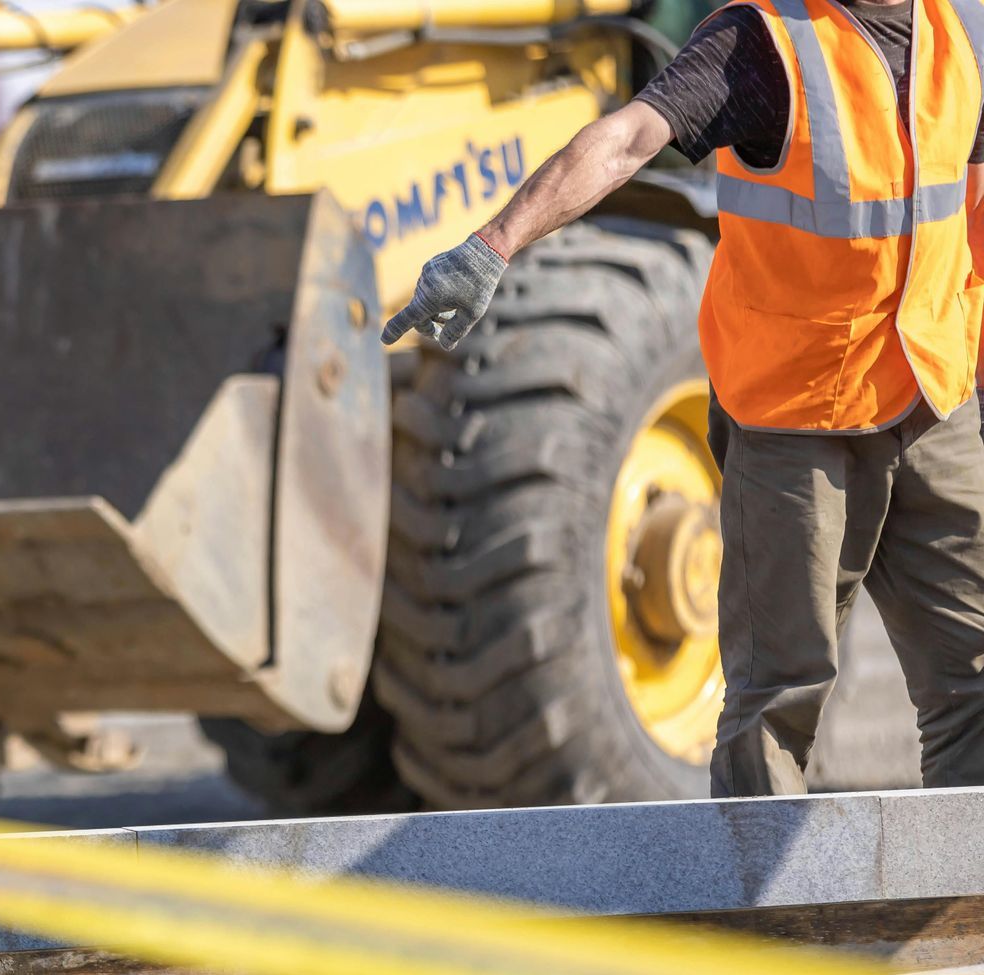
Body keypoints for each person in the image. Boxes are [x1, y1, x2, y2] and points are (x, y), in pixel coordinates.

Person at [383, 0, 984, 799]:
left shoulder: (962, 30)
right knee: (779, 700)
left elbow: (969, 201)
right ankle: (762, 923)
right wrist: (494, 245)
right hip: (796, 418)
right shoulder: (763, 43)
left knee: (975, 677)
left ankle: (962, 909)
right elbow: (629, 138)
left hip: (931, 396)